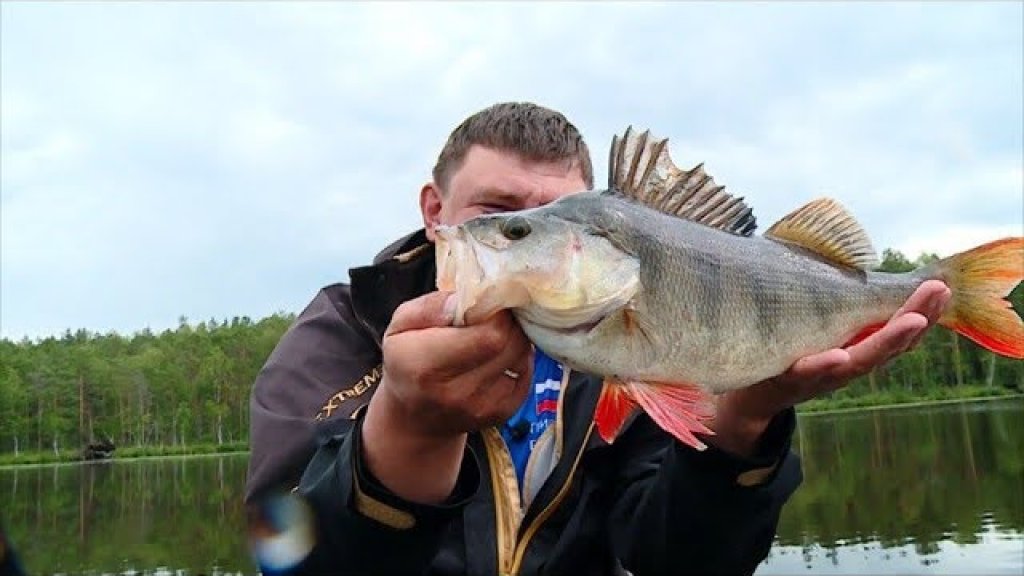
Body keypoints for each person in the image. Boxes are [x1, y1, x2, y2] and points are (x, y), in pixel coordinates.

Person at [244, 102, 951, 575]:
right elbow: (284, 552)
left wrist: (743, 424)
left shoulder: (616, 349)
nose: (524, 240)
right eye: (500, 217)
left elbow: (676, 557)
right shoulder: (340, 332)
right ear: (437, 213)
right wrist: (405, 437)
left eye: (557, 221)